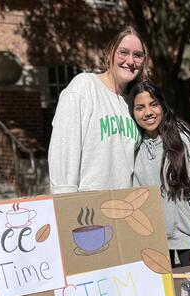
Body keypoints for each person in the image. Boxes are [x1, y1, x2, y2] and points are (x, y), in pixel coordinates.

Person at [48, 26, 148, 194]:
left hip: (124, 208)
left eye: (137, 55)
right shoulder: (85, 86)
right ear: (109, 54)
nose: (130, 61)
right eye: (123, 52)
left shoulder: (135, 104)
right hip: (86, 210)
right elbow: (63, 150)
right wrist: (65, 205)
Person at [128, 81, 190, 267]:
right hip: (154, 241)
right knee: (162, 295)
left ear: (162, 106)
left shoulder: (181, 136)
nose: (148, 112)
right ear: (132, 112)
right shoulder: (132, 144)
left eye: (154, 104)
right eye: (140, 107)